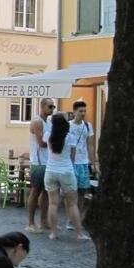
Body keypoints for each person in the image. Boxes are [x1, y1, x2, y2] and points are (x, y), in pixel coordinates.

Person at [43, 113, 90, 240]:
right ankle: (79, 234)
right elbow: (73, 156)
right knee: (72, 204)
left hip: (50, 171)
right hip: (66, 171)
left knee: (52, 204)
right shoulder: (70, 137)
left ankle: (53, 233)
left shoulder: (48, 136)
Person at [26, 98, 54, 233]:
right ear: (42, 107)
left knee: (46, 192)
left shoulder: (49, 122)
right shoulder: (37, 122)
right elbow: (41, 143)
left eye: (53, 107)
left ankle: (44, 221)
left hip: (48, 161)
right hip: (38, 162)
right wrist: (56, 142)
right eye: (50, 106)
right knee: (35, 191)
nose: (52, 109)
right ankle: (31, 223)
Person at [67, 100, 96, 228]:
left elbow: (90, 145)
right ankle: (70, 219)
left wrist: (93, 163)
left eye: (84, 111)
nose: (83, 113)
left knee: (82, 192)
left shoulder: (88, 126)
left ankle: (76, 218)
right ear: (74, 112)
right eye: (80, 111)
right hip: (72, 163)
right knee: (72, 193)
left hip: (83, 162)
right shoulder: (68, 126)